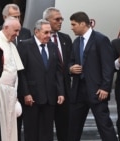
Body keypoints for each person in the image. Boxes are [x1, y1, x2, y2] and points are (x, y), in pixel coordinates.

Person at [68, 11, 118, 141]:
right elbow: (71, 61)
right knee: (73, 127)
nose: (71, 27)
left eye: (73, 24)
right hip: (79, 91)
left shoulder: (101, 39)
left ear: (83, 24)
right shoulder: (76, 42)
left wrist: (105, 88)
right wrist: (71, 68)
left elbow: (108, 66)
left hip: (97, 91)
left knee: (104, 126)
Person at [17, 19, 65, 141]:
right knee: (31, 131)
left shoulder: (53, 47)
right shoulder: (25, 45)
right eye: (46, 32)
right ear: (36, 32)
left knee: (47, 131)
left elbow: (58, 71)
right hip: (32, 97)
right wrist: (26, 93)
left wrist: (60, 92)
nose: (49, 36)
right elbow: (21, 72)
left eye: (50, 33)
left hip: (50, 96)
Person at [0, 4, 31, 141]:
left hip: (11, 94)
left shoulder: (11, 44)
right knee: (0, 128)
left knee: (11, 129)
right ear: (6, 27)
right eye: (15, 31)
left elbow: (17, 71)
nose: (18, 35)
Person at [42, 7, 72, 141]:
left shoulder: (65, 38)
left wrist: (71, 68)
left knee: (64, 128)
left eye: (61, 19)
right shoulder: (38, 40)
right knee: (45, 129)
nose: (60, 22)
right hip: (45, 91)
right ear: (47, 21)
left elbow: (70, 61)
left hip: (64, 90)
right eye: (57, 19)